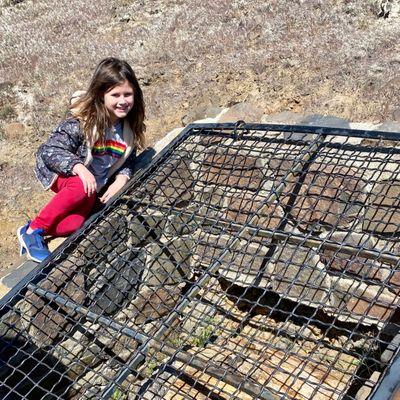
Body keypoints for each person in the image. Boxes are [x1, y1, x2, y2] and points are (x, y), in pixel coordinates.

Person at [17, 57, 146, 262]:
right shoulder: (82, 121)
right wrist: (78, 167)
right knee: (79, 186)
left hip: (93, 187)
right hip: (68, 173)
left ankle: (29, 227)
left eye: (128, 94)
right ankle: (33, 231)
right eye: (115, 95)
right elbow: (50, 150)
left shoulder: (128, 127)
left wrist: (123, 177)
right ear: (101, 95)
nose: (123, 101)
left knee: (75, 224)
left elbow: (129, 157)